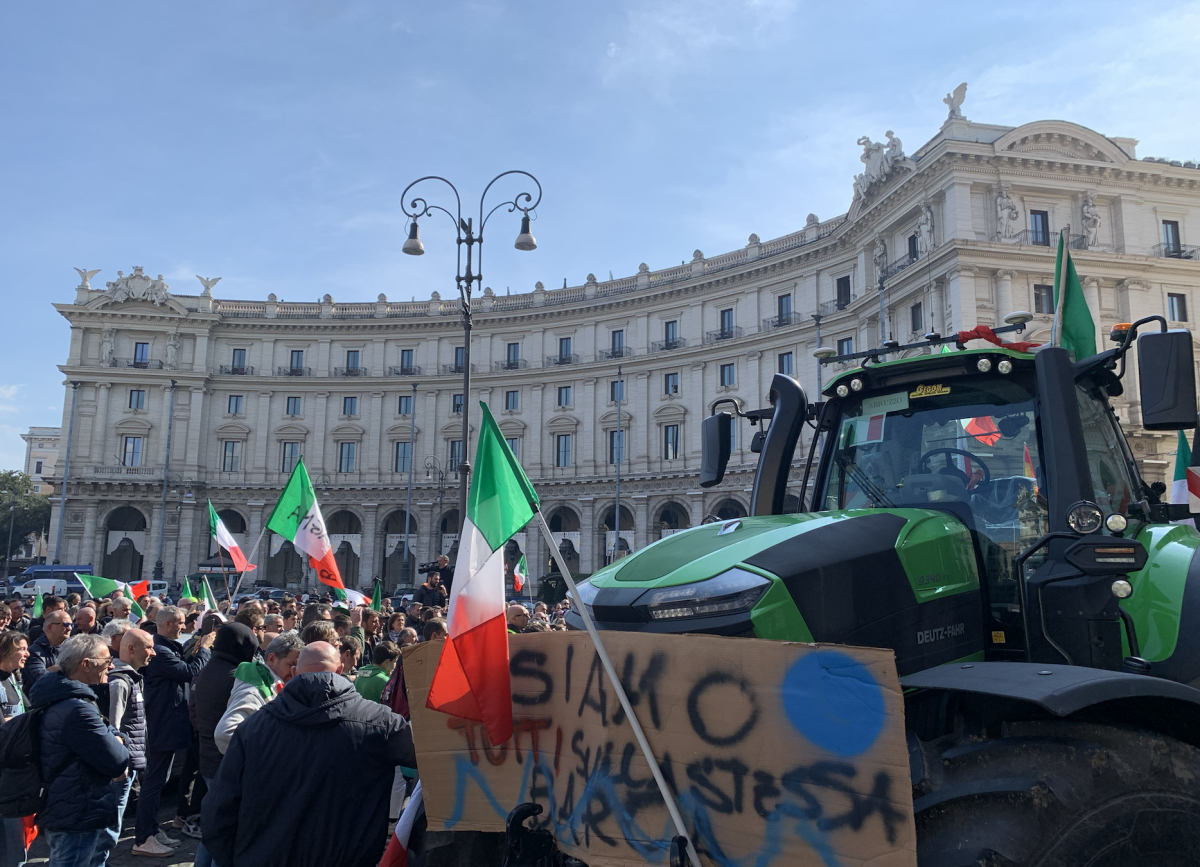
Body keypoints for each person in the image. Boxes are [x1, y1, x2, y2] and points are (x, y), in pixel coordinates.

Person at [203, 642, 416, 867]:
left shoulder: (254, 727)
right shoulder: (382, 722)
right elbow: (431, 758)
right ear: (340, 670)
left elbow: (217, 811)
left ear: (294, 672)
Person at [29, 634, 130, 867]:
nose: (111, 666)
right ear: (86, 664)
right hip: (77, 810)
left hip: (68, 805)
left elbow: (111, 734)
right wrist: (117, 742)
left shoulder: (62, 697)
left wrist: (116, 738)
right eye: (106, 661)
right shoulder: (77, 709)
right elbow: (117, 759)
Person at [135, 606, 214, 857]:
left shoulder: (167, 647)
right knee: (154, 781)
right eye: (180, 623)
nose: (184, 627)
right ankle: (143, 837)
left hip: (168, 723)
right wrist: (205, 650)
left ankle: (152, 829)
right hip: (162, 724)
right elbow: (189, 671)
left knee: (159, 781)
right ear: (167, 624)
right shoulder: (160, 651)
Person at [191, 623, 260, 867]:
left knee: (213, 827)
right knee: (226, 833)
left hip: (207, 756)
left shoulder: (209, 669)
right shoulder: (234, 676)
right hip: (225, 762)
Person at [213, 632, 303, 753]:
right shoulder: (253, 692)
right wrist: (268, 753)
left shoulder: (269, 683)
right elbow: (224, 734)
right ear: (271, 659)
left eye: (297, 666)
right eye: (291, 664)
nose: (294, 672)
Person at [107, 628, 155, 849]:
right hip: (122, 763)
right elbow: (113, 727)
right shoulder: (120, 681)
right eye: (148, 647)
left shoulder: (133, 677)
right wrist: (120, 762)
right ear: (131, 649)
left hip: (131, 758)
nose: (153, 653)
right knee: (112, 816)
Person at [0, 630, 30, 867]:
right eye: (22, 648)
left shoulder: (12, 678)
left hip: (14, 768)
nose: (26, 654)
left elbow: (27, 713)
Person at [24, 609, 72, 691]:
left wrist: (52, 670)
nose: (70, 628)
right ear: (49, 627)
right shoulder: (33, 652)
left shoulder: (73, 648)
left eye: (71, 625)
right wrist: (66, 667)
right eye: (66, 624)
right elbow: (42, 680)